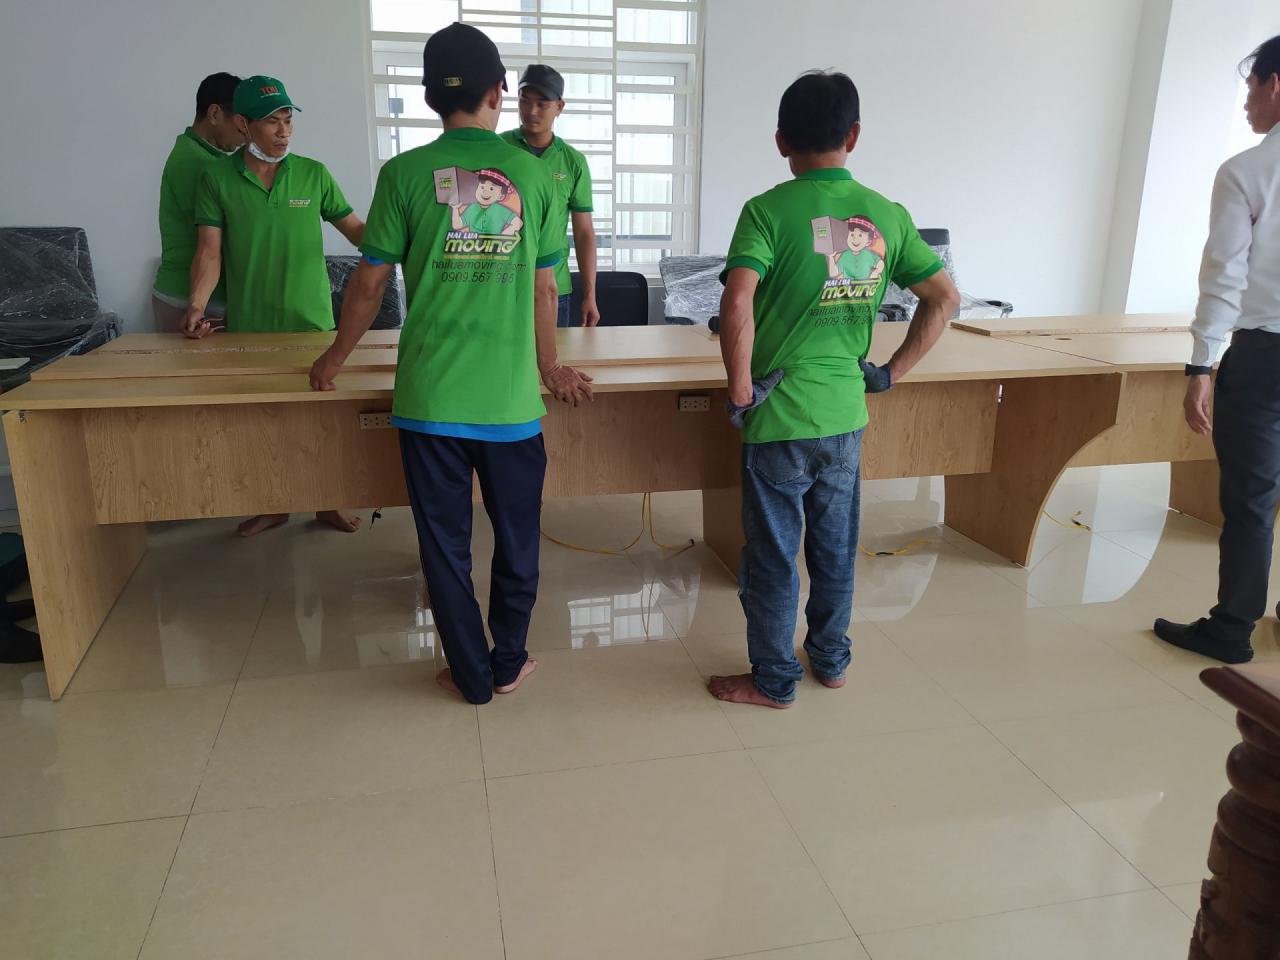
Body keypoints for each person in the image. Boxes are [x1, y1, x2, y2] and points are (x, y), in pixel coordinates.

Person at [308, 24, 594, 705]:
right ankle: (508, 661)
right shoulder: (536, 174)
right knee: (518, 540)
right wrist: (549, 367)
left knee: (444, 547)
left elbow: (369, 283)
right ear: (499, 91)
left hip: (430, 401)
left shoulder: (403, 174)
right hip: (510, 403)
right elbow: (545, 289)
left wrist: (334, 357)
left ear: (430, 95)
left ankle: (470, 676)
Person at [709, 70, 960, 709]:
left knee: (773, 559)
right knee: (835, 551)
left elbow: (737, 301)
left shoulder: (766, 212)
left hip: (779, 417)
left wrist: (739, 390)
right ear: (853, 136)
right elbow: (944, 298)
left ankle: (773, 681)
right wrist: (891, 372)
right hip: (846, 416)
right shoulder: (886, 215)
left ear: (780, 141)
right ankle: (831, 661)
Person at [187, 75, 367, 537]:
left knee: (321, 423)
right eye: (272, 122)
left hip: (312, 324)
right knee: (263, 426)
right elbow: (209, 251)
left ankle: (327, 503)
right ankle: (274, 505)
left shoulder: (314, 174)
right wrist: (196, 307)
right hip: (252, 327)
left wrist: (404, 239)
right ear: (243, 125)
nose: (284, 131)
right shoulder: (216, 178)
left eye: (288, 120)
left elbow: (356, 230)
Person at [1154, 35, 1280, 665]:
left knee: (1252, 501)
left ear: (1275, 84)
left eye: (1251, 87)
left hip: (1264, 358)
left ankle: (1232, 630)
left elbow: (1225, 275)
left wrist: (1201, 364)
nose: (1248, 102)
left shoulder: (1248, 172)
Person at [501, 65, 599, 327]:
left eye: (542, 104)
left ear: (559, 106)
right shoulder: (498, 149)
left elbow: (584, 232)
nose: (531, 111)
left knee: (551, 354)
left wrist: (590, 294)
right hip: (503, 285)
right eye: (524, 101)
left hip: (554, 288)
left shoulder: (573, 162)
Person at [152, 72, 245, 332]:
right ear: (214, 114)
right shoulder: (196, 162)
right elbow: (220, 237)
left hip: (205, 298)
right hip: (190, 299)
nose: (246, 133)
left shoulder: (206, 156)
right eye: (241, 122)